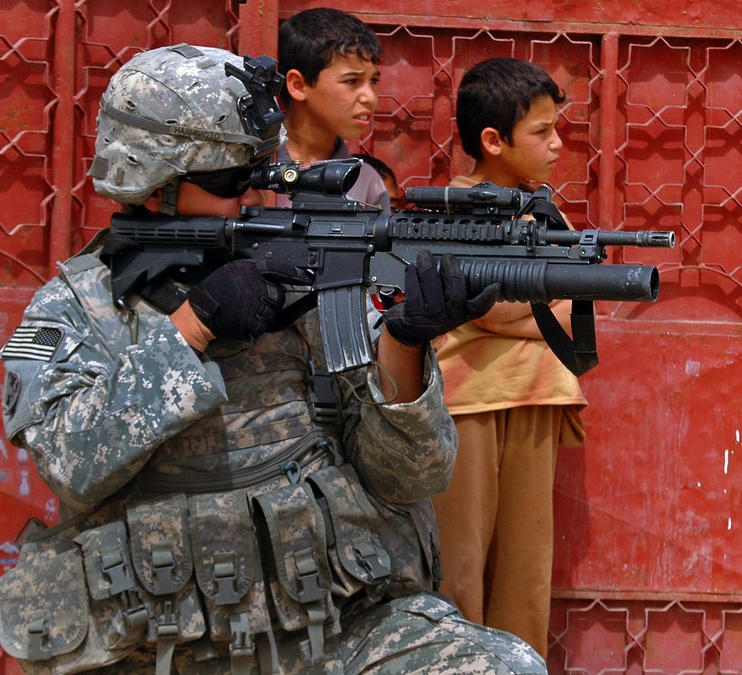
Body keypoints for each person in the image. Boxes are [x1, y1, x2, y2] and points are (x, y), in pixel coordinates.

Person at [0, 44, 548, 675]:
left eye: (268, 171)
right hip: (151, 648)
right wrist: (194, 324)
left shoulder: (306, 284)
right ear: (155, 185)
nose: (261, 196)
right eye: (234, 182)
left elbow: (410, 479)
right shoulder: (75, 308)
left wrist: (404, 345)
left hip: (335, 631)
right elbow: (72, 462)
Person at [430, 57, 588, 658]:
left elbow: (580, 301)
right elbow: (486, 308)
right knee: (460, 569)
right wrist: (545, 304)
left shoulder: (543, 210)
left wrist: (532, 304)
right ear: (493, 142)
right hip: (466, 403)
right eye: (542, 131)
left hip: (536, 396)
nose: (557, 142)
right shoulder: (454, 207)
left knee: (525, 571)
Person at [277, 8, 391, 211]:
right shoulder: (253, 169)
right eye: (351, 81)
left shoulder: (366, 182)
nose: (370, 98)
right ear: (298, 85)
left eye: (373, 80)